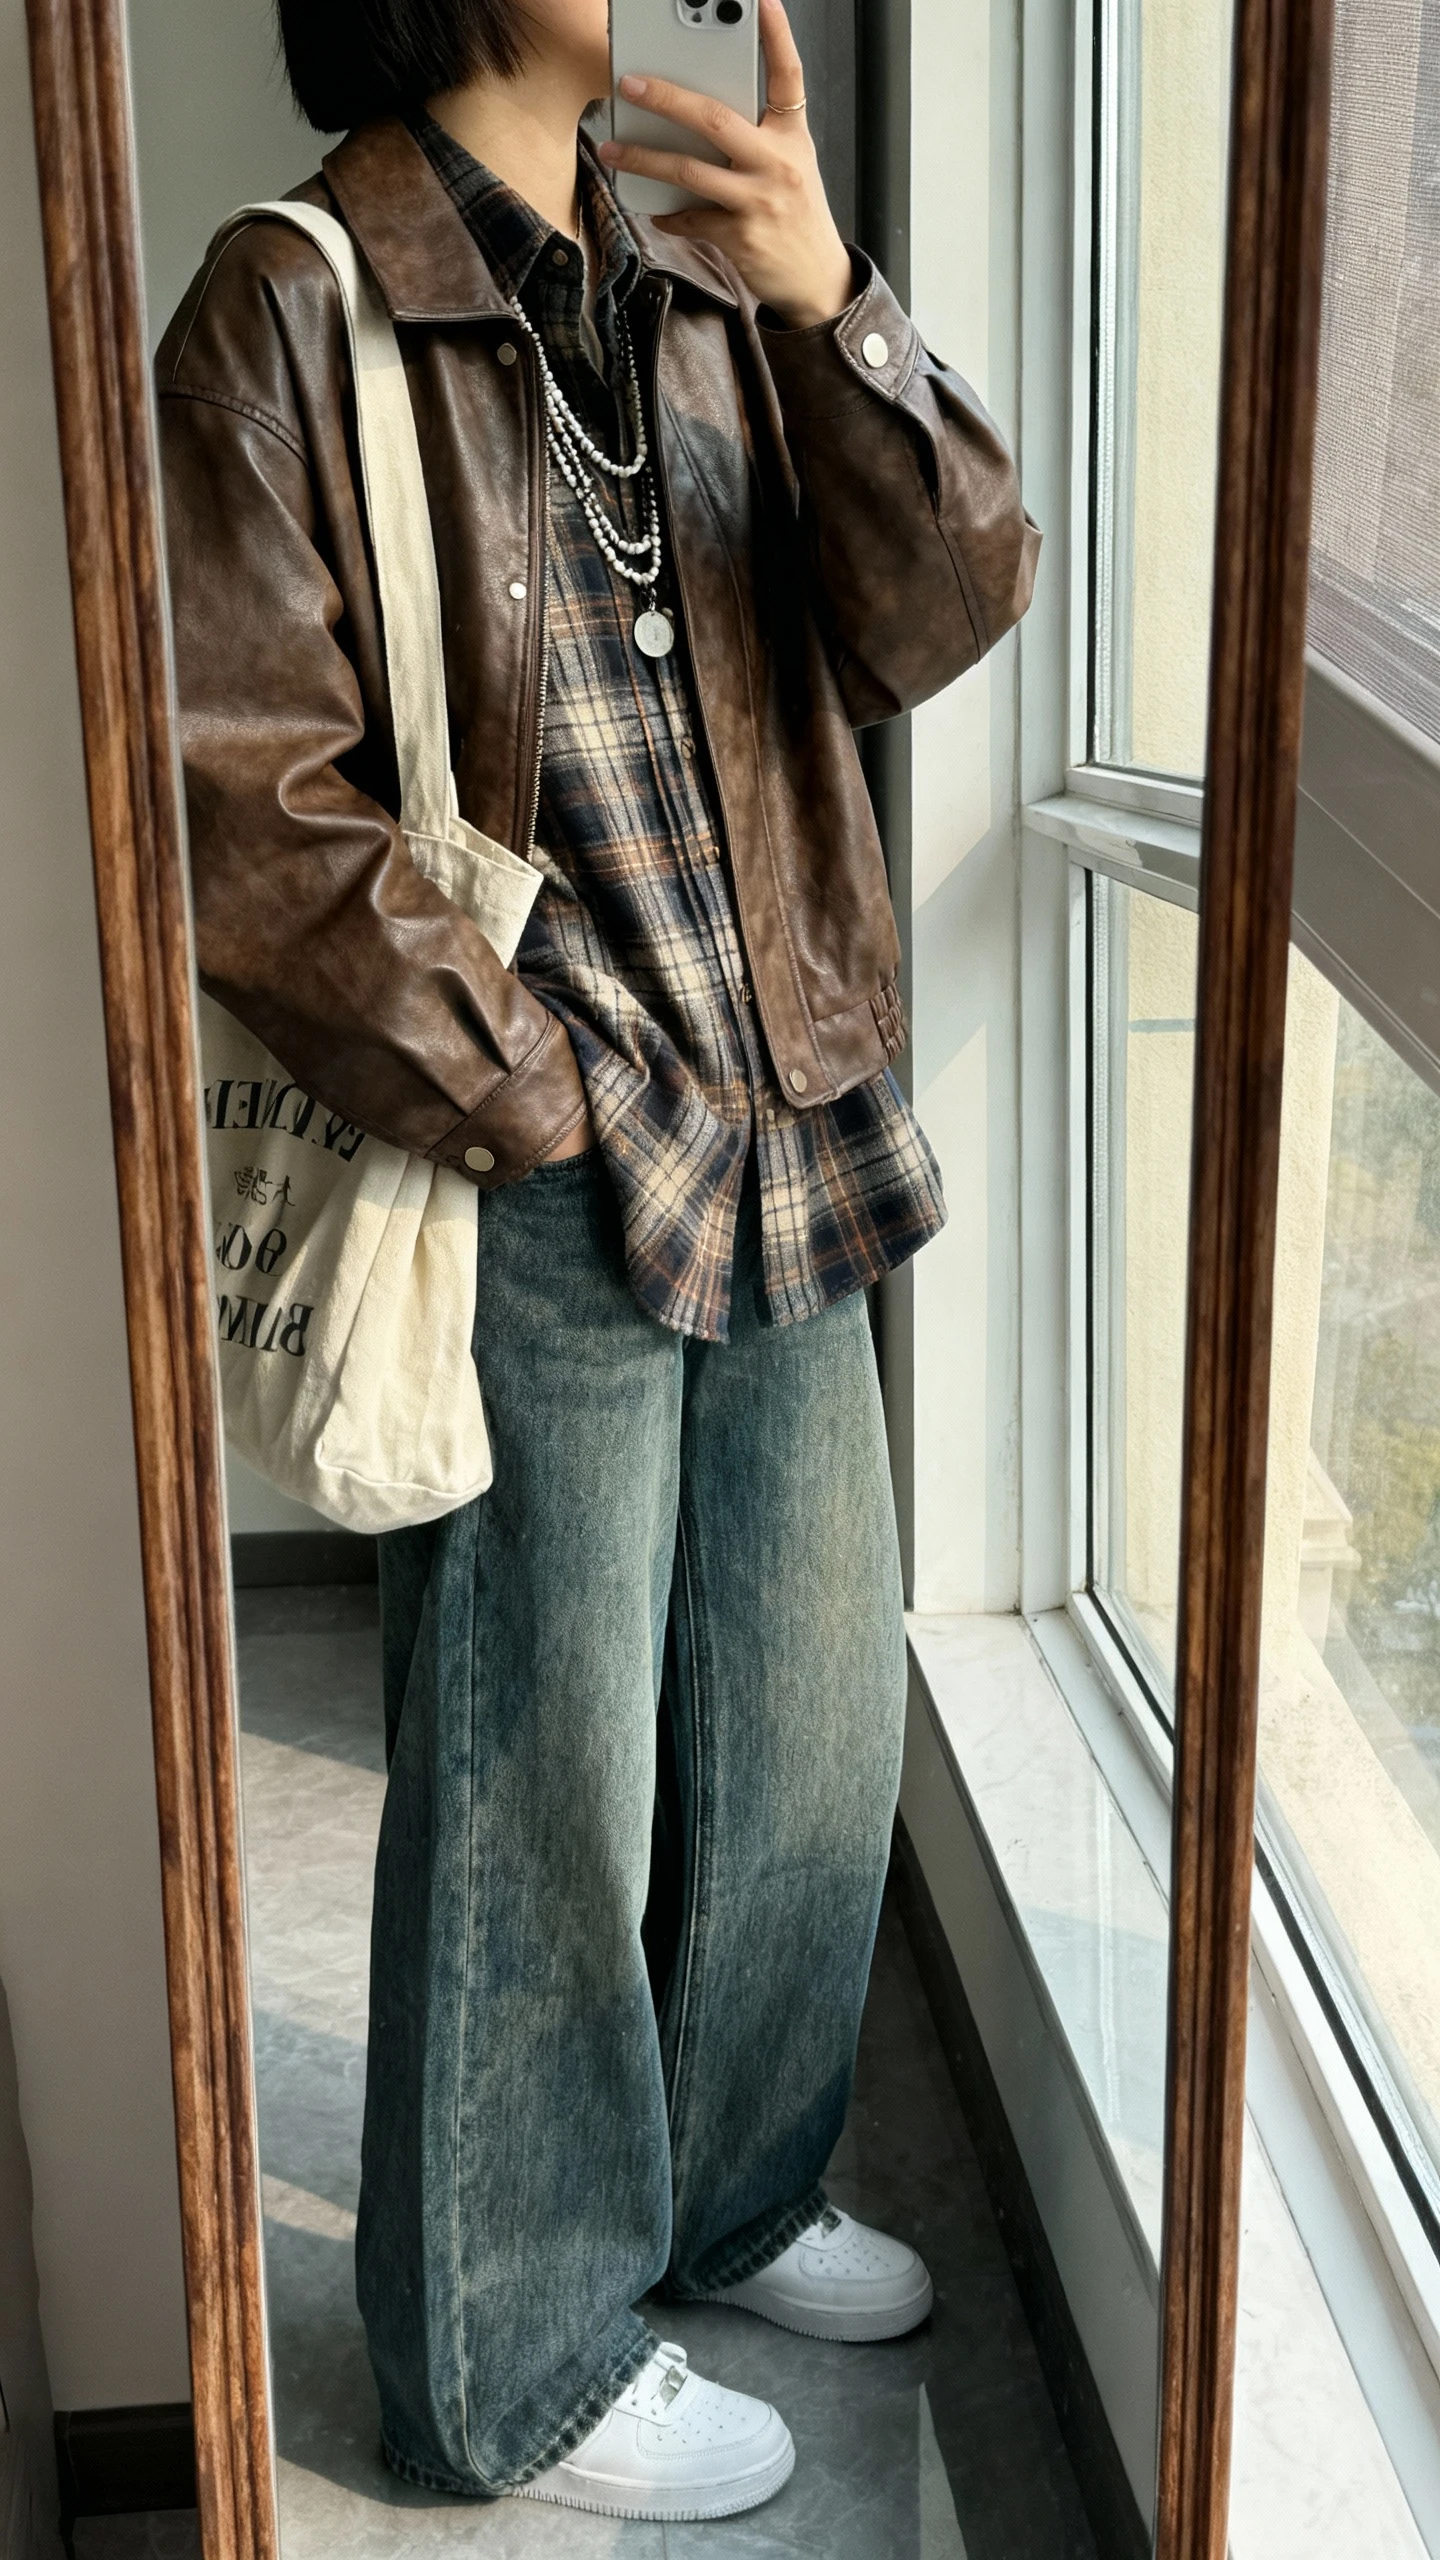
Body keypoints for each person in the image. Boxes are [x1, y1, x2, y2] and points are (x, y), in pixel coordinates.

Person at [158, 0, 1038, 2522]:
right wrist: (533, 1089)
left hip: (797, 1107)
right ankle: (508, 2348)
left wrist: (834, 293)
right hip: (550, 1165)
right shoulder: (290, 304)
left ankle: (734, 2195)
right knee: (539, 1777)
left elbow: (947, 605)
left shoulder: (694, 260)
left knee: (800, 1739)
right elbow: (252, 803)